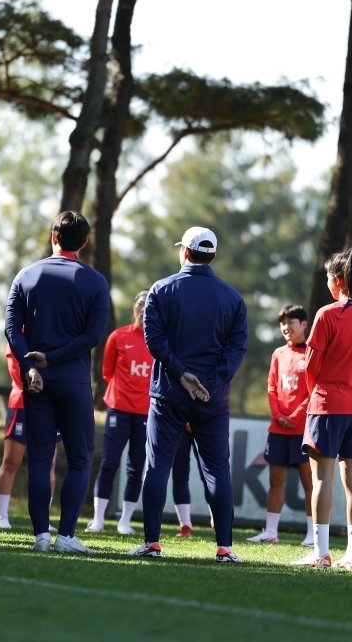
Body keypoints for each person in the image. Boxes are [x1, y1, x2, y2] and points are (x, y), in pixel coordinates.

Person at [129, 226, 247, 563]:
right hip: (212, 397)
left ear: (185, 252)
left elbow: (154, 340)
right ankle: (224, 547)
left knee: (157, 467)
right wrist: (209, 382)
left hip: (168, 392)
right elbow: (236, 348)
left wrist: (182, 374)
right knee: (216, 471)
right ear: (213, 255)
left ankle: (152, 542)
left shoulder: (162, 289)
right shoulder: (232, 297)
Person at [5, 210, 110, 554]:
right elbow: (93, 335)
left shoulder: (26, 274)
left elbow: (11, 329)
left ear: (53, 236)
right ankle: (66, 535)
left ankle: (40, 537)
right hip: (74, 380)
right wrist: (54, 358)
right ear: (84, 242)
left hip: (36, 380)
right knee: (80, 459)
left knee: (39, 458)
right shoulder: (95, 281)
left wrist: (31, 366)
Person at [291, 247, 352, 570]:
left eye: (329, 277)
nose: (328, 282)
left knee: (322, 481)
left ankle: (321, 552)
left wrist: (317, 392)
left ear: (338, 280)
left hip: (327, 405)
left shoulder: (328, 314)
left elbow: (311, 367)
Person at [85, 290, 152, 536]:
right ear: (134, 307)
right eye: (141, 303)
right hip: (119, 409)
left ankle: (125, 520)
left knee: (136, 467)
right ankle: (98, 519)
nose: (144, 308)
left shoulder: (158, 341)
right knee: (109, 462)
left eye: (149, 304)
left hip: (145, 413)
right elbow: (107, 372)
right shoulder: (118, 336)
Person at [248, 304, 313, 546]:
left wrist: (295, 416)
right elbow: (272, 386)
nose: (286, 327)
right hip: (278, 428)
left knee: (310, 484)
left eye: (291, 322)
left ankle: (312, 535)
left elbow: (312, 391)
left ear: (304, 324)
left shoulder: (312, 353)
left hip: (302, 429)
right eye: (283, 323)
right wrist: (278, 415)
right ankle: (271, 531)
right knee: (276, 482)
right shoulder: (278, 354)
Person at [0, 345, 60, 530]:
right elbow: (15, 367)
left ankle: (43, 517)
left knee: (50, 464)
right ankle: (2, 516)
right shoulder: (17, 331)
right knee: (11, 461)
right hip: (22, 403)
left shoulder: (52, 329)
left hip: (50, 406)